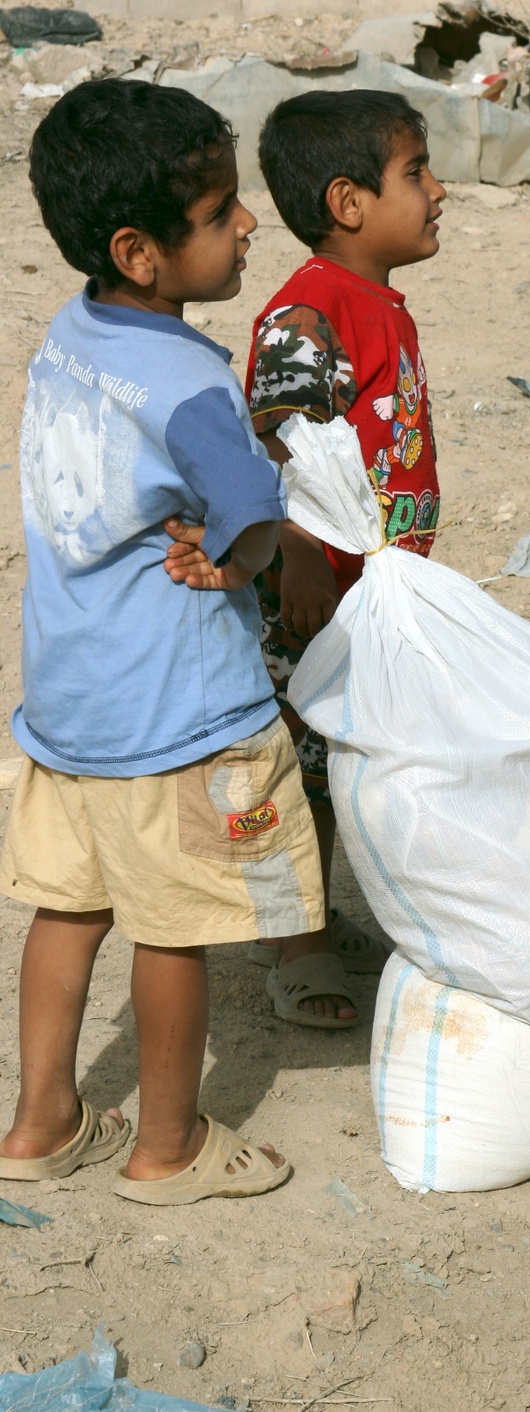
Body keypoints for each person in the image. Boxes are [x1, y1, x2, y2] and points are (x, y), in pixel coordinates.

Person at [0, 78, 328, 1204]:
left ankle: (41, 1123)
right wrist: (238, 561)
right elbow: (252, 513)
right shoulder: (190, 380)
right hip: (175, 713)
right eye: (221, 212)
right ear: (140, 253)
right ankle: (169, 1146)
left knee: (70, 907)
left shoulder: (72, 332)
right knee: (173, 927)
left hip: (71, 700)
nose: (248, 225)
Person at [243, 89, 445, 1028]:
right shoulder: (309, 311)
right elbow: (270, 439)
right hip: (310, 593)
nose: (438, 191)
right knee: (302, 769)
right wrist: (298, 554)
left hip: (363, 591)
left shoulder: (377, 305)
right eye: (417, 173)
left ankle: (312, 918)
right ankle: (293, 946)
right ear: (348, 202)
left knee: (337, 763)